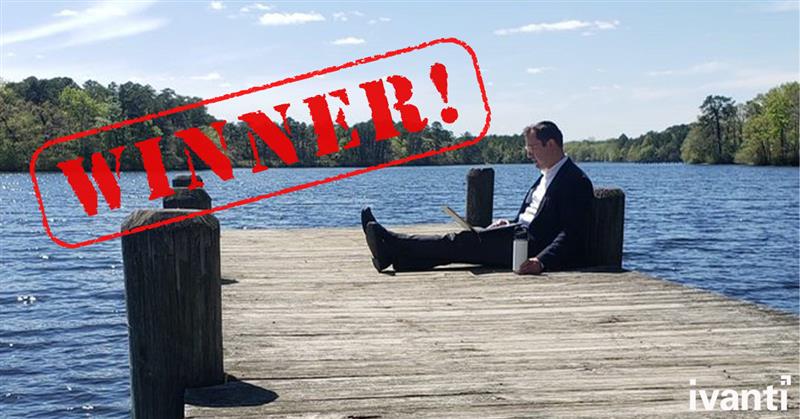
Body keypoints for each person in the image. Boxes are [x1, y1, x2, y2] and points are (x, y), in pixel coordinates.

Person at [362, 121, 594, 275]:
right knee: (463, 246)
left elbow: (572, 234)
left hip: (529, 249)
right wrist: (509, 223)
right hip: (518, 237)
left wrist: (540, 262)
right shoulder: (547, 175)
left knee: (461, 242)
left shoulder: (574, 180)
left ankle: (391, 243)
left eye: (532, 148)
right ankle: (397, 257)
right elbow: (531, 216)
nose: (528, 154)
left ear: (551, 144)